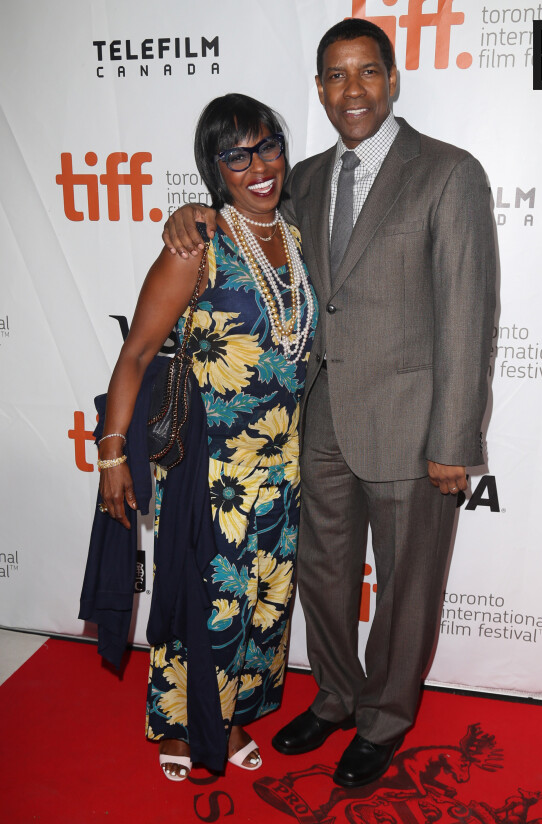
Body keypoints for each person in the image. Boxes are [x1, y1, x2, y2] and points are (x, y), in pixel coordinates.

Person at [162, 19, 496, 788]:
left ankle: (383, 721)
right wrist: (191, 215)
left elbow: (468, 312)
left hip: (414, 432)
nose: (353, 90)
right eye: (336, 76)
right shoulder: (302, 176)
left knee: (408, 588)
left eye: (367, 72)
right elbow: (246, 229)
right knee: (321, 577)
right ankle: (338, 696)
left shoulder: (449, 173)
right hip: (315, 427)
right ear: (319, 88)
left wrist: (455, 439)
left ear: (392, 79)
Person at [96, 93, 317, 780]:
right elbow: (134, 354)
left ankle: (234, 712)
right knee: (205, 598)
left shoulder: (300, 236)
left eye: (268, 146)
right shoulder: (198, 246)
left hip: (284, 468)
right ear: (214, 168)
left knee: (266, 606)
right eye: (236, 154)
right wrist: (110, 456)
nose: (258, 166)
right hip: (213, 471)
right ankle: (182, 724)